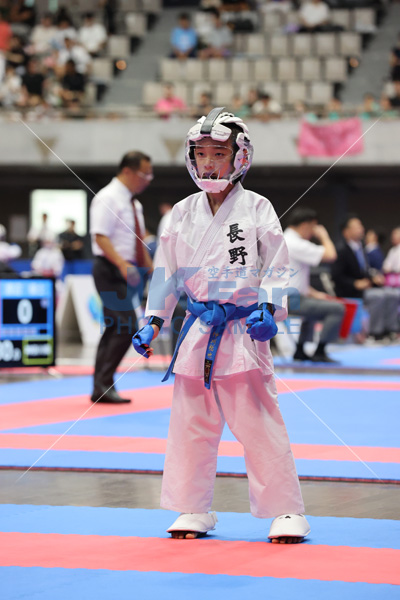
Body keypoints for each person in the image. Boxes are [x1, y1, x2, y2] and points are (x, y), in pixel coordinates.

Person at [132, 108, 310, 543]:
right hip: (197, 329)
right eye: (201, 153)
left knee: (259, 423)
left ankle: (286, 511)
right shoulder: (181, 213)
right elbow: (166, 273)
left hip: (243, 327)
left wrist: (269, 308)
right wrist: (153, 321)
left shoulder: (257, 208)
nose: (209, 162)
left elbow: (277, 265)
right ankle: (192, 507)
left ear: (239, 156)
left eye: (219, 153)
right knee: (191, 423)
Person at [90, 151, 154, 404]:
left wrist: (151, 267)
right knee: (126, 325)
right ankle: (103, 384)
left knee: (115, 327)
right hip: (110, 268)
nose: (147, 180)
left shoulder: (134, 204)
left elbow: (137, 240)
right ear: (127, 171)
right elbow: (100, 236)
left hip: (128, 270)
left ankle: (101, 386)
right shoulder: (107, 197)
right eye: (144, 174)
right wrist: (121, 264)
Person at [284, 208, 344, 363]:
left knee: (314, 306)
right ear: (305, 225)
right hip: (289, 299)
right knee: (337, 308)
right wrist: (324, 236)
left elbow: (293, 280)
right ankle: (320, 351)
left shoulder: (286, 240)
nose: (313, 232)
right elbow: (331, 255)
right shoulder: (294, 243)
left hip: (289, 296)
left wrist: (316, 294)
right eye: (313, 227)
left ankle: (300, 350)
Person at [332, 216, 400, 341]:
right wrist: (355, 283)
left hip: (365, 288)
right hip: (349, 291)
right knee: (378, 296)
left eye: (361, 226)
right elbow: (336, 276)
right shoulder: (341, 249)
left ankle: (391, 330)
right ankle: (375, 333)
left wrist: (374, 277)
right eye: (357, 227)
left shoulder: (361, 247)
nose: (361, 229)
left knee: (393, 294)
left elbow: (364, 270)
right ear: (346, 231)